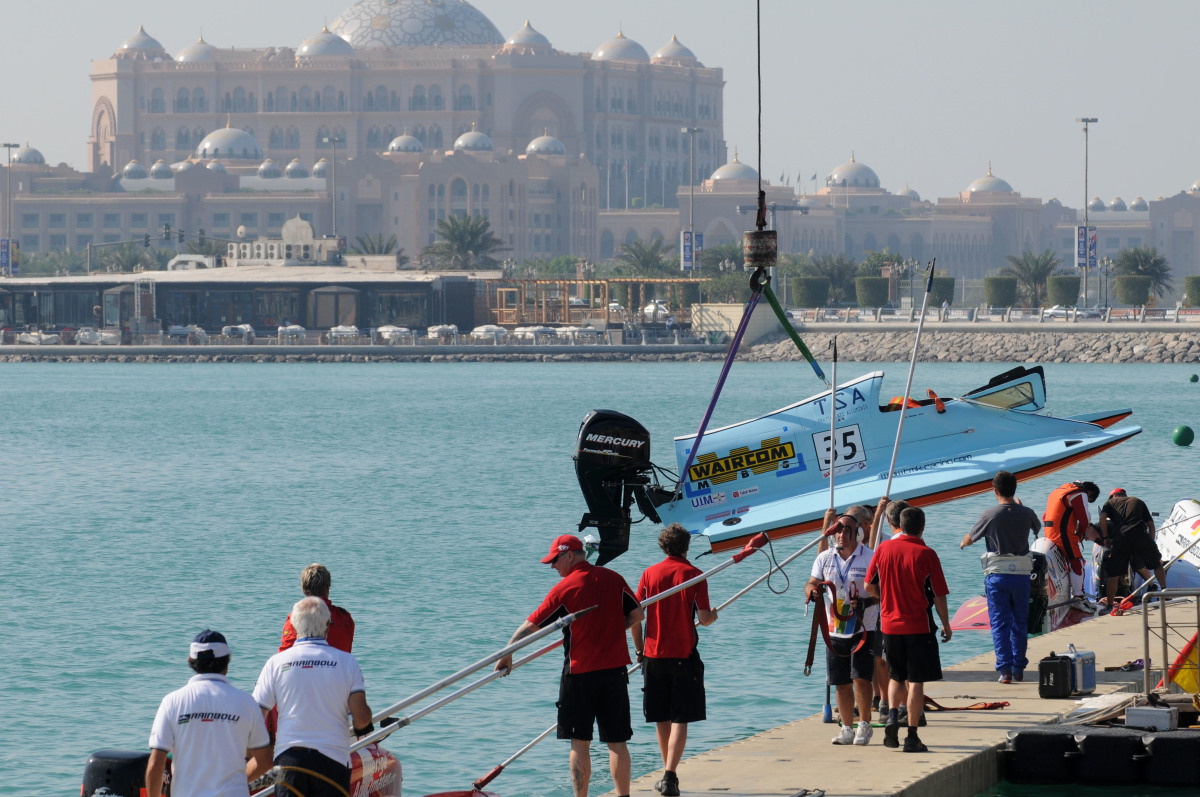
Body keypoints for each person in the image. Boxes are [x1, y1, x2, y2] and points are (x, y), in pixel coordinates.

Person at [495, 534, 643, 797]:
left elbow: (531, 626)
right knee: (617, 742)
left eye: (555, 560)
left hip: (580, 673)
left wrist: (507, 653)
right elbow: (637, 614)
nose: (553, 566)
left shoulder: (564, 589)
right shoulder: (614, 578)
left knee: (579, 742)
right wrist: (612, 629)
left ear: (570, 555)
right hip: (615, 671)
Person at [253, 597, 374, 797]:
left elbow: (255, 717)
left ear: (294, 626)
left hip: (288, 763)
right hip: (332, 762)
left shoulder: (275, 663)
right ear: (327, 625)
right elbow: (361, 718)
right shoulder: (347, 662)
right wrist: (364, 725)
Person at [629, 524, 718, 796]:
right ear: (687, 547)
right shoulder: (695, 575)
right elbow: (704, 618)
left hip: (653, 655)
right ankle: (669, 775)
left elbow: (635, 616)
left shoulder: (649, 573)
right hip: (683, 655)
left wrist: (639, 650)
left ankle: (668, 774)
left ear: (663, 546)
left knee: (661, 717)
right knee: (680, 717)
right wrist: (713, 615)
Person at [866, 507, 951, 753]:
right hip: (918, 627)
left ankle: (892, 717)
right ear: (922, 528)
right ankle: (912, 736)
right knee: (915, 681)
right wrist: (946, 624)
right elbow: (939, 595)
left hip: (889, 626)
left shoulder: (883, 549)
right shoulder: (927, 554)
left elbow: (868, 585)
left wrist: (885, 600)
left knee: (895, 676)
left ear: (900, 526)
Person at [146, 630, 272, 797]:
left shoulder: (172, 702)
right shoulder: (247, 703)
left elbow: (155, 765)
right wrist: (238, 782)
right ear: (227, 663)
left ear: (191, 662)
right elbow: (265, 760)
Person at [959, 471, 1042, 683]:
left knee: (999, 623)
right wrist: (1021, 507)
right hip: (1021, 576)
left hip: (997, 576)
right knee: (1020, 623)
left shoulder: (989, 515)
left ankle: (1005, 671)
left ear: (995, 490)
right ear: (1015, 489)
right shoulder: (1026, 512)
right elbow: (1037, 527)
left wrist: (963, 542)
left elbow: (970, 538)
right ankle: (1019, 668)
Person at [807, 513, 878, 746]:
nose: (841, 535)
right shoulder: (825, 558)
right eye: (837, 530)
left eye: (847, 530)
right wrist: (812, 593)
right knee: (840, 681)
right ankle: (847, 728)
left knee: (861, 678)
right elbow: (811, 583)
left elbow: (883, 591)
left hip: (863, 628)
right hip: (834, 630)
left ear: (857, 533)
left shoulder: (870, 557)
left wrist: (867, 601)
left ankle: (864, 724)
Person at [1098, 488, 1168, 608]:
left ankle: (1109, 605)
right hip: (1141, 536)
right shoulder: (1137, 501)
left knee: (1113, 574)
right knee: (1157, 565)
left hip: (1122, 538)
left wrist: (1105, 538)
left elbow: (1102, 518)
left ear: (1113, 496)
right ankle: (1164, 593)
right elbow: (1151, 524)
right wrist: (1151, 542)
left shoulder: (1109, 503)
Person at [1042, 481, 1100, 600]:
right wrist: (1079, 534)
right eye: (1089, 500)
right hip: (1062, 534)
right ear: (1090, 493)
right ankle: (1078, 597)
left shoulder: (1058, 491)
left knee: (1066, 562)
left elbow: (1044, 516)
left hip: (1049, 532)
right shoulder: (1080, 493)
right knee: (1077, 563)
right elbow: (1084, 520)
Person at [280, 563, 354, 652]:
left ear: (303, 589)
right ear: (328, 588)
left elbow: (285, 652)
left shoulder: (294, 618)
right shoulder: (345, 617)